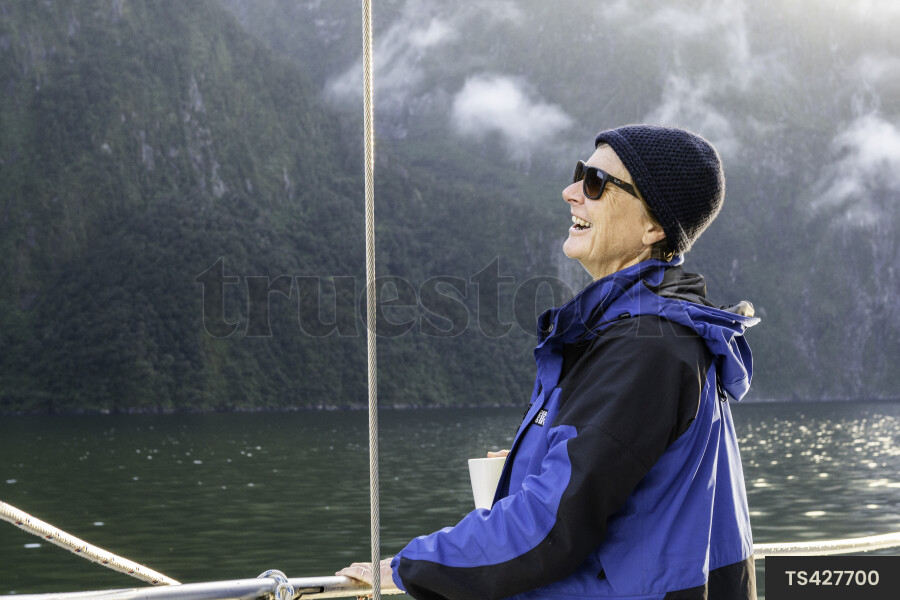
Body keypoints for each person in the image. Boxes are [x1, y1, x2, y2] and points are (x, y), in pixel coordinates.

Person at [339, 124, 759, 599]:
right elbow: (621, 476)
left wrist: (408, 567)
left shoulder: (649, 347)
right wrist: (528, 461)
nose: (571, 192)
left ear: (653, 227)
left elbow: (553, 523)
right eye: (580, 174)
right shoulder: (638, 333)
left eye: (596, 183)